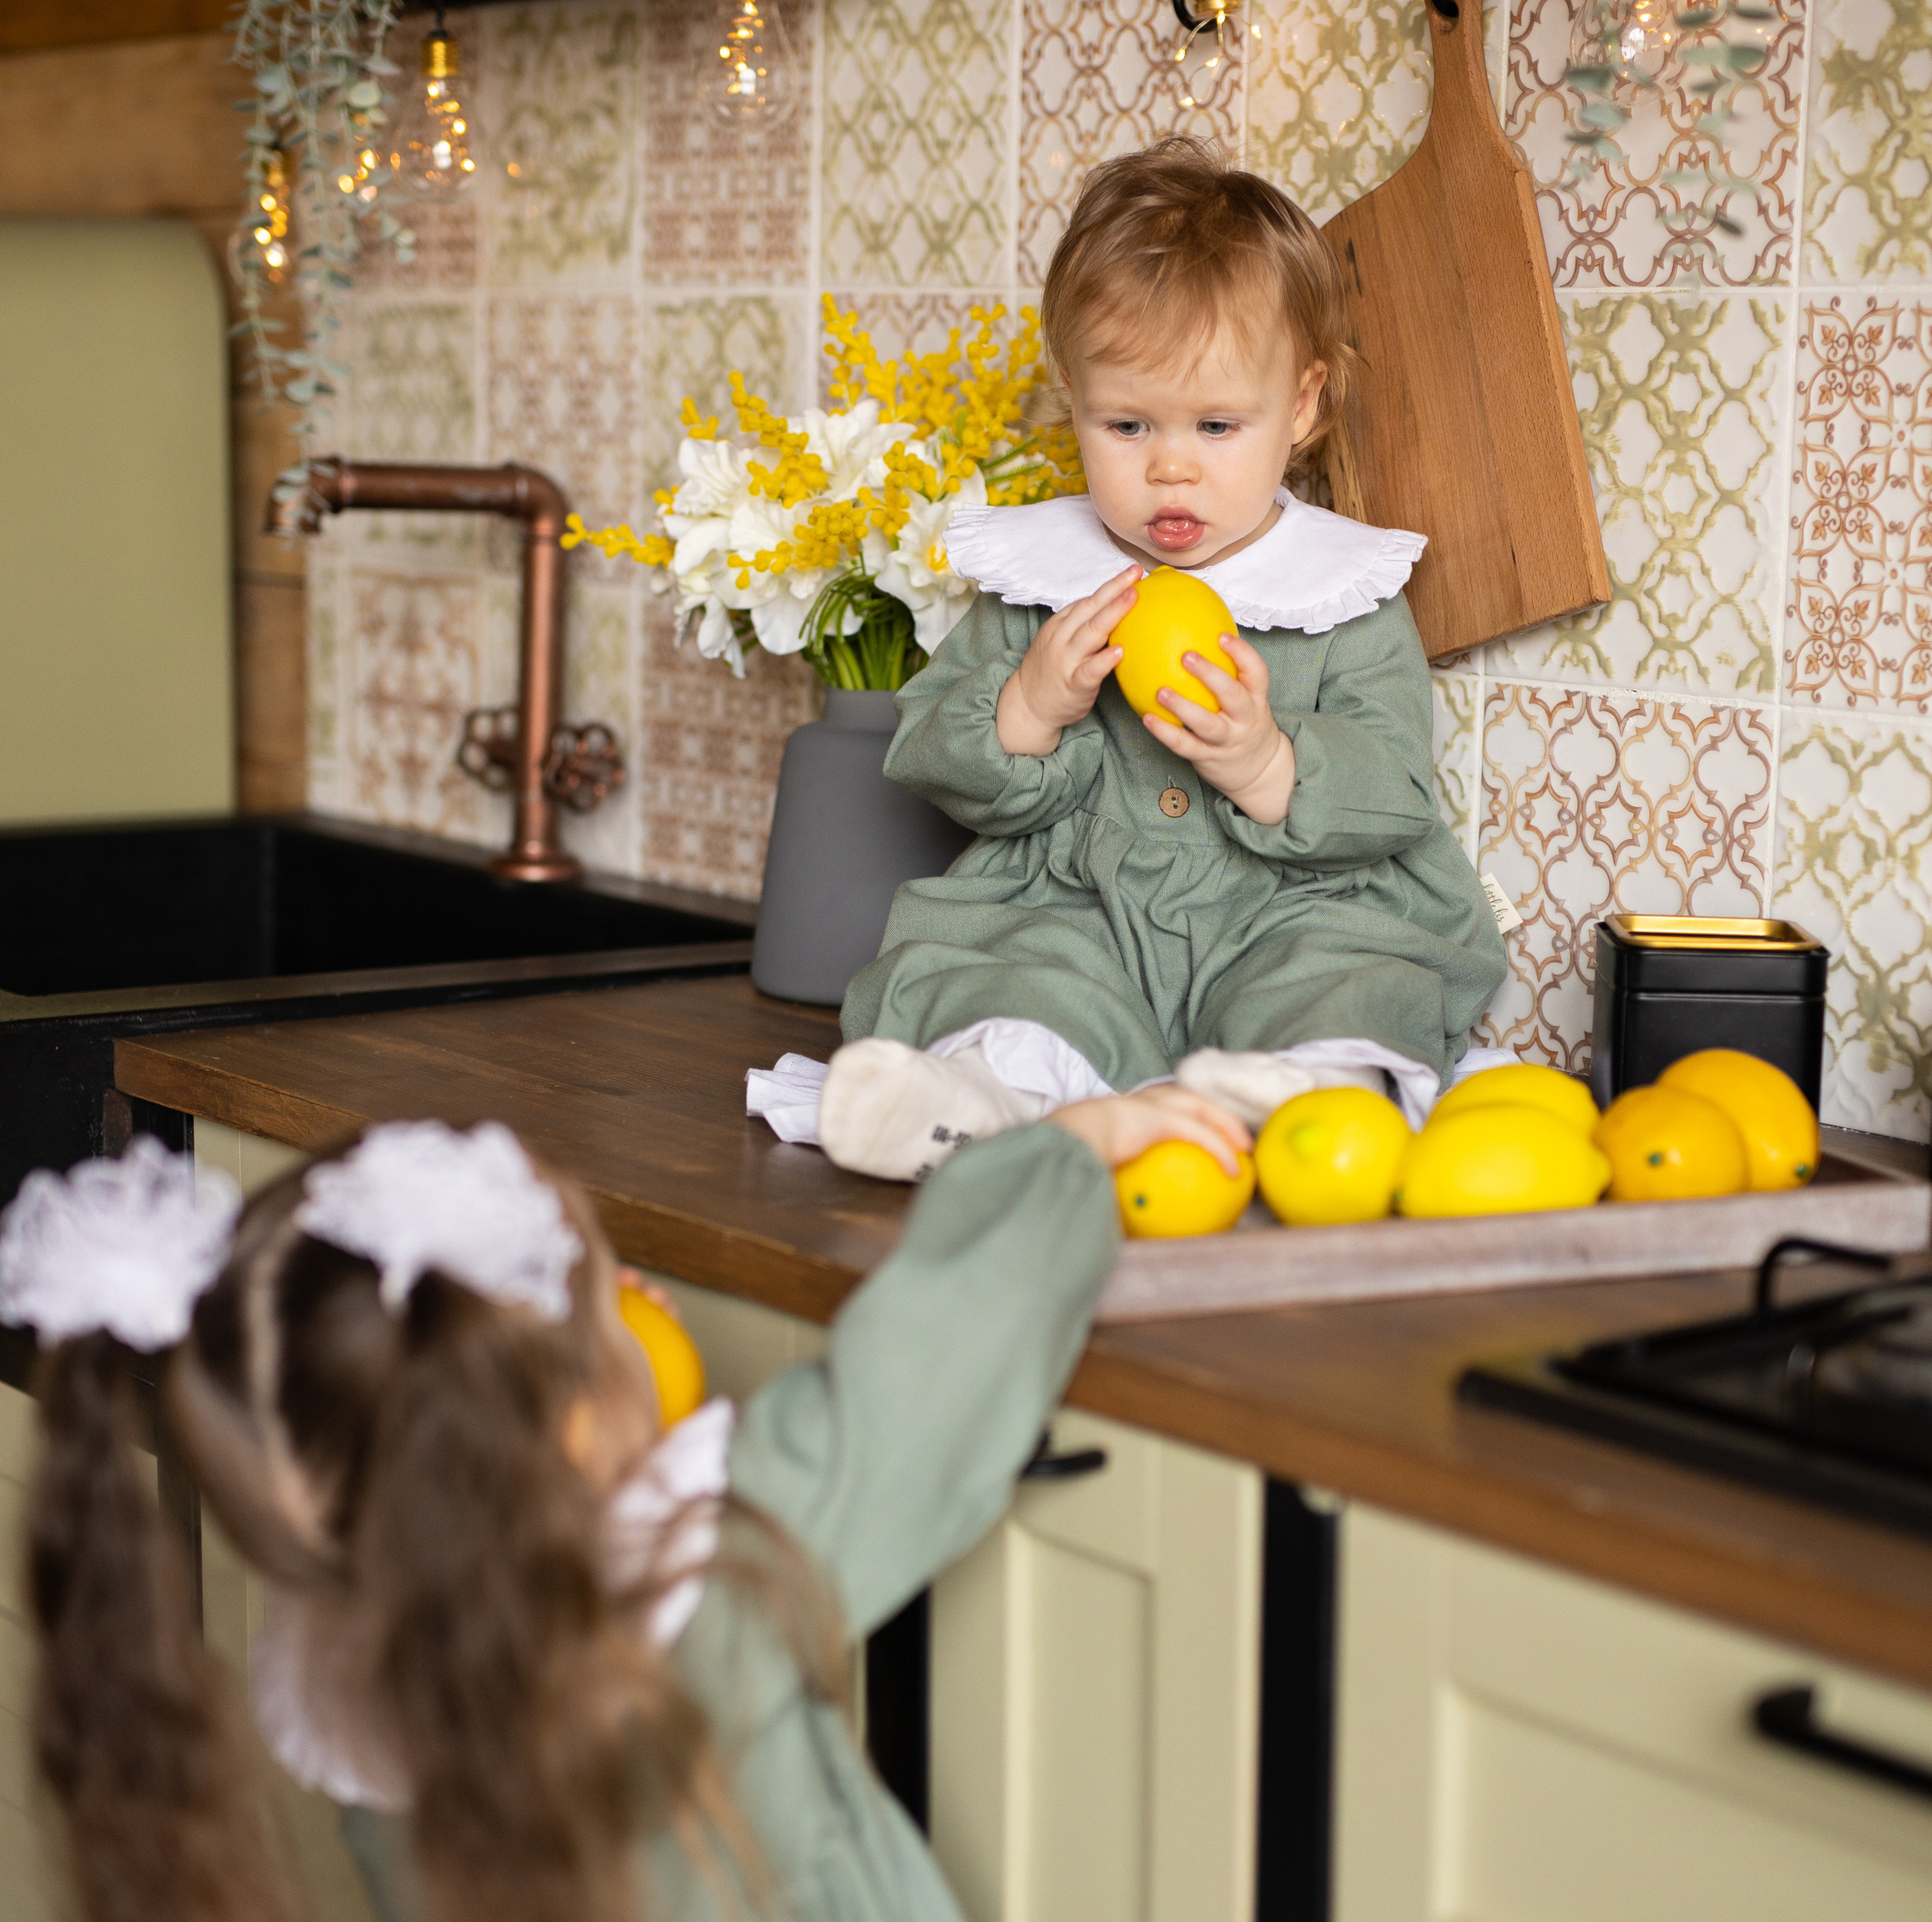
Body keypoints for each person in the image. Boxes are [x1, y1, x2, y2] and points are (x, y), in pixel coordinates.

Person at [0, 1085, 1245, 1922]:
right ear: (577, 1428)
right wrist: (1063, 1152)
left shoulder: (349, 1681)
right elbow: (941, 1359)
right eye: (610, 1301)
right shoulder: (704, 1577)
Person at [804, 138, 1506, 1183]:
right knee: (1013, 969)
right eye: (1127, 424)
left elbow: (1398, 791)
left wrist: (1268, 762)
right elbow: (929, 747)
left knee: (1345, 977)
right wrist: (1029, 707)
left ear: (1302, 405)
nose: (1171, 467)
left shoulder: (1341, 588)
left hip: (1295, 909)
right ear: (1073, 397)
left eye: (1216, 425)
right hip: (1073, 904)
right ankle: (985, 1101)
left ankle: (1302, 1094)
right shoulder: (1042, 579)